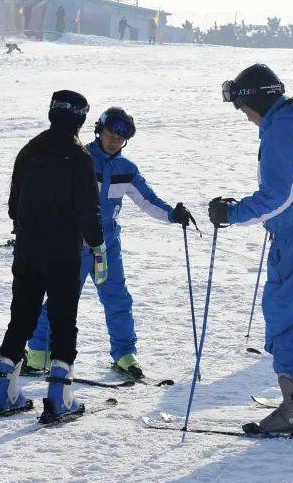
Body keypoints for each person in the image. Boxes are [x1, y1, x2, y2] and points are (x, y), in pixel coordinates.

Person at [208, 64, 293, 434]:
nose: (246, 117)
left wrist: (233, 213)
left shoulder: (282, 130)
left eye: (244, 108)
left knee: (286, 322)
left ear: (257, 100)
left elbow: (279, 196)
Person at [26, 107, 196, 380]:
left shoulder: (126, 170)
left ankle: (124, 355)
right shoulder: (78, 158)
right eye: (111, 132)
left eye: (122, 135)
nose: (115, 139)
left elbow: (148, 200)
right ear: (99, 130)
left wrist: (173, 215)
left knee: (118, 299)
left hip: (106, 248)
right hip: (72, 245)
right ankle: (37, 353)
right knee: (61, 300)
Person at [0, 90, 108, 423]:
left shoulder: (29, 150)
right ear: (80, 118)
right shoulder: (79, 156)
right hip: (63, 252)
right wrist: (97, 246)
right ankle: (58, 397)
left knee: (21, 317)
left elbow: (13, 204)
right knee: (63, 320)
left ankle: (2, 390)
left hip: (27, 249)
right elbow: (88, 211)